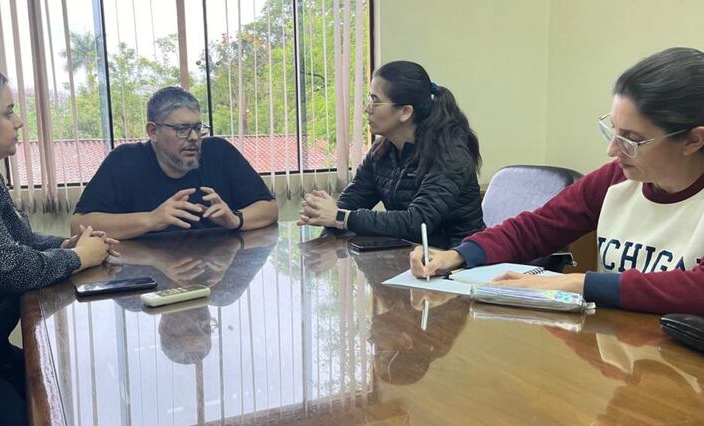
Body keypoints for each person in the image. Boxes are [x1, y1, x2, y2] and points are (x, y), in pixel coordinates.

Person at [411, 47, 704, 315]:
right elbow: (537, 228)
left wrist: (581, 284)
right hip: (618, 347)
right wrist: (460, 254)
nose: (612, 151)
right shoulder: (617, 178)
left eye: (632, 140)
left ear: (692, 140)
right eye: (613, 131)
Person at [0, 61, 116, 425]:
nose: (18, 123)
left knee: (66, 392)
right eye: (8, 112)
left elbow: (19, 240)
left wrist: (65, 245)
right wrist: (78, 259)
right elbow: (10, 267)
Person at [298, 60, 485, 249]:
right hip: (408, 257)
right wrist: (323, 213)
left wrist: (339, 217)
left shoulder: (450, 154)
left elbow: (417, 223)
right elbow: (353, 199)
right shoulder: (383, 149)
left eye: (375, 101)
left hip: (455, 262)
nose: (367, 109)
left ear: (405, 112)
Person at [71, 86, 278, 240]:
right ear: (153, 131)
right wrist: (151, 219)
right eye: (182, 129)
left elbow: (269, 209)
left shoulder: (219, 152)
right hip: (148, 278)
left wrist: (235, 219)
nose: (194, 138)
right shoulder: (124, 161)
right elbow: (79, 226)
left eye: (198, 128)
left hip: (214, 273)